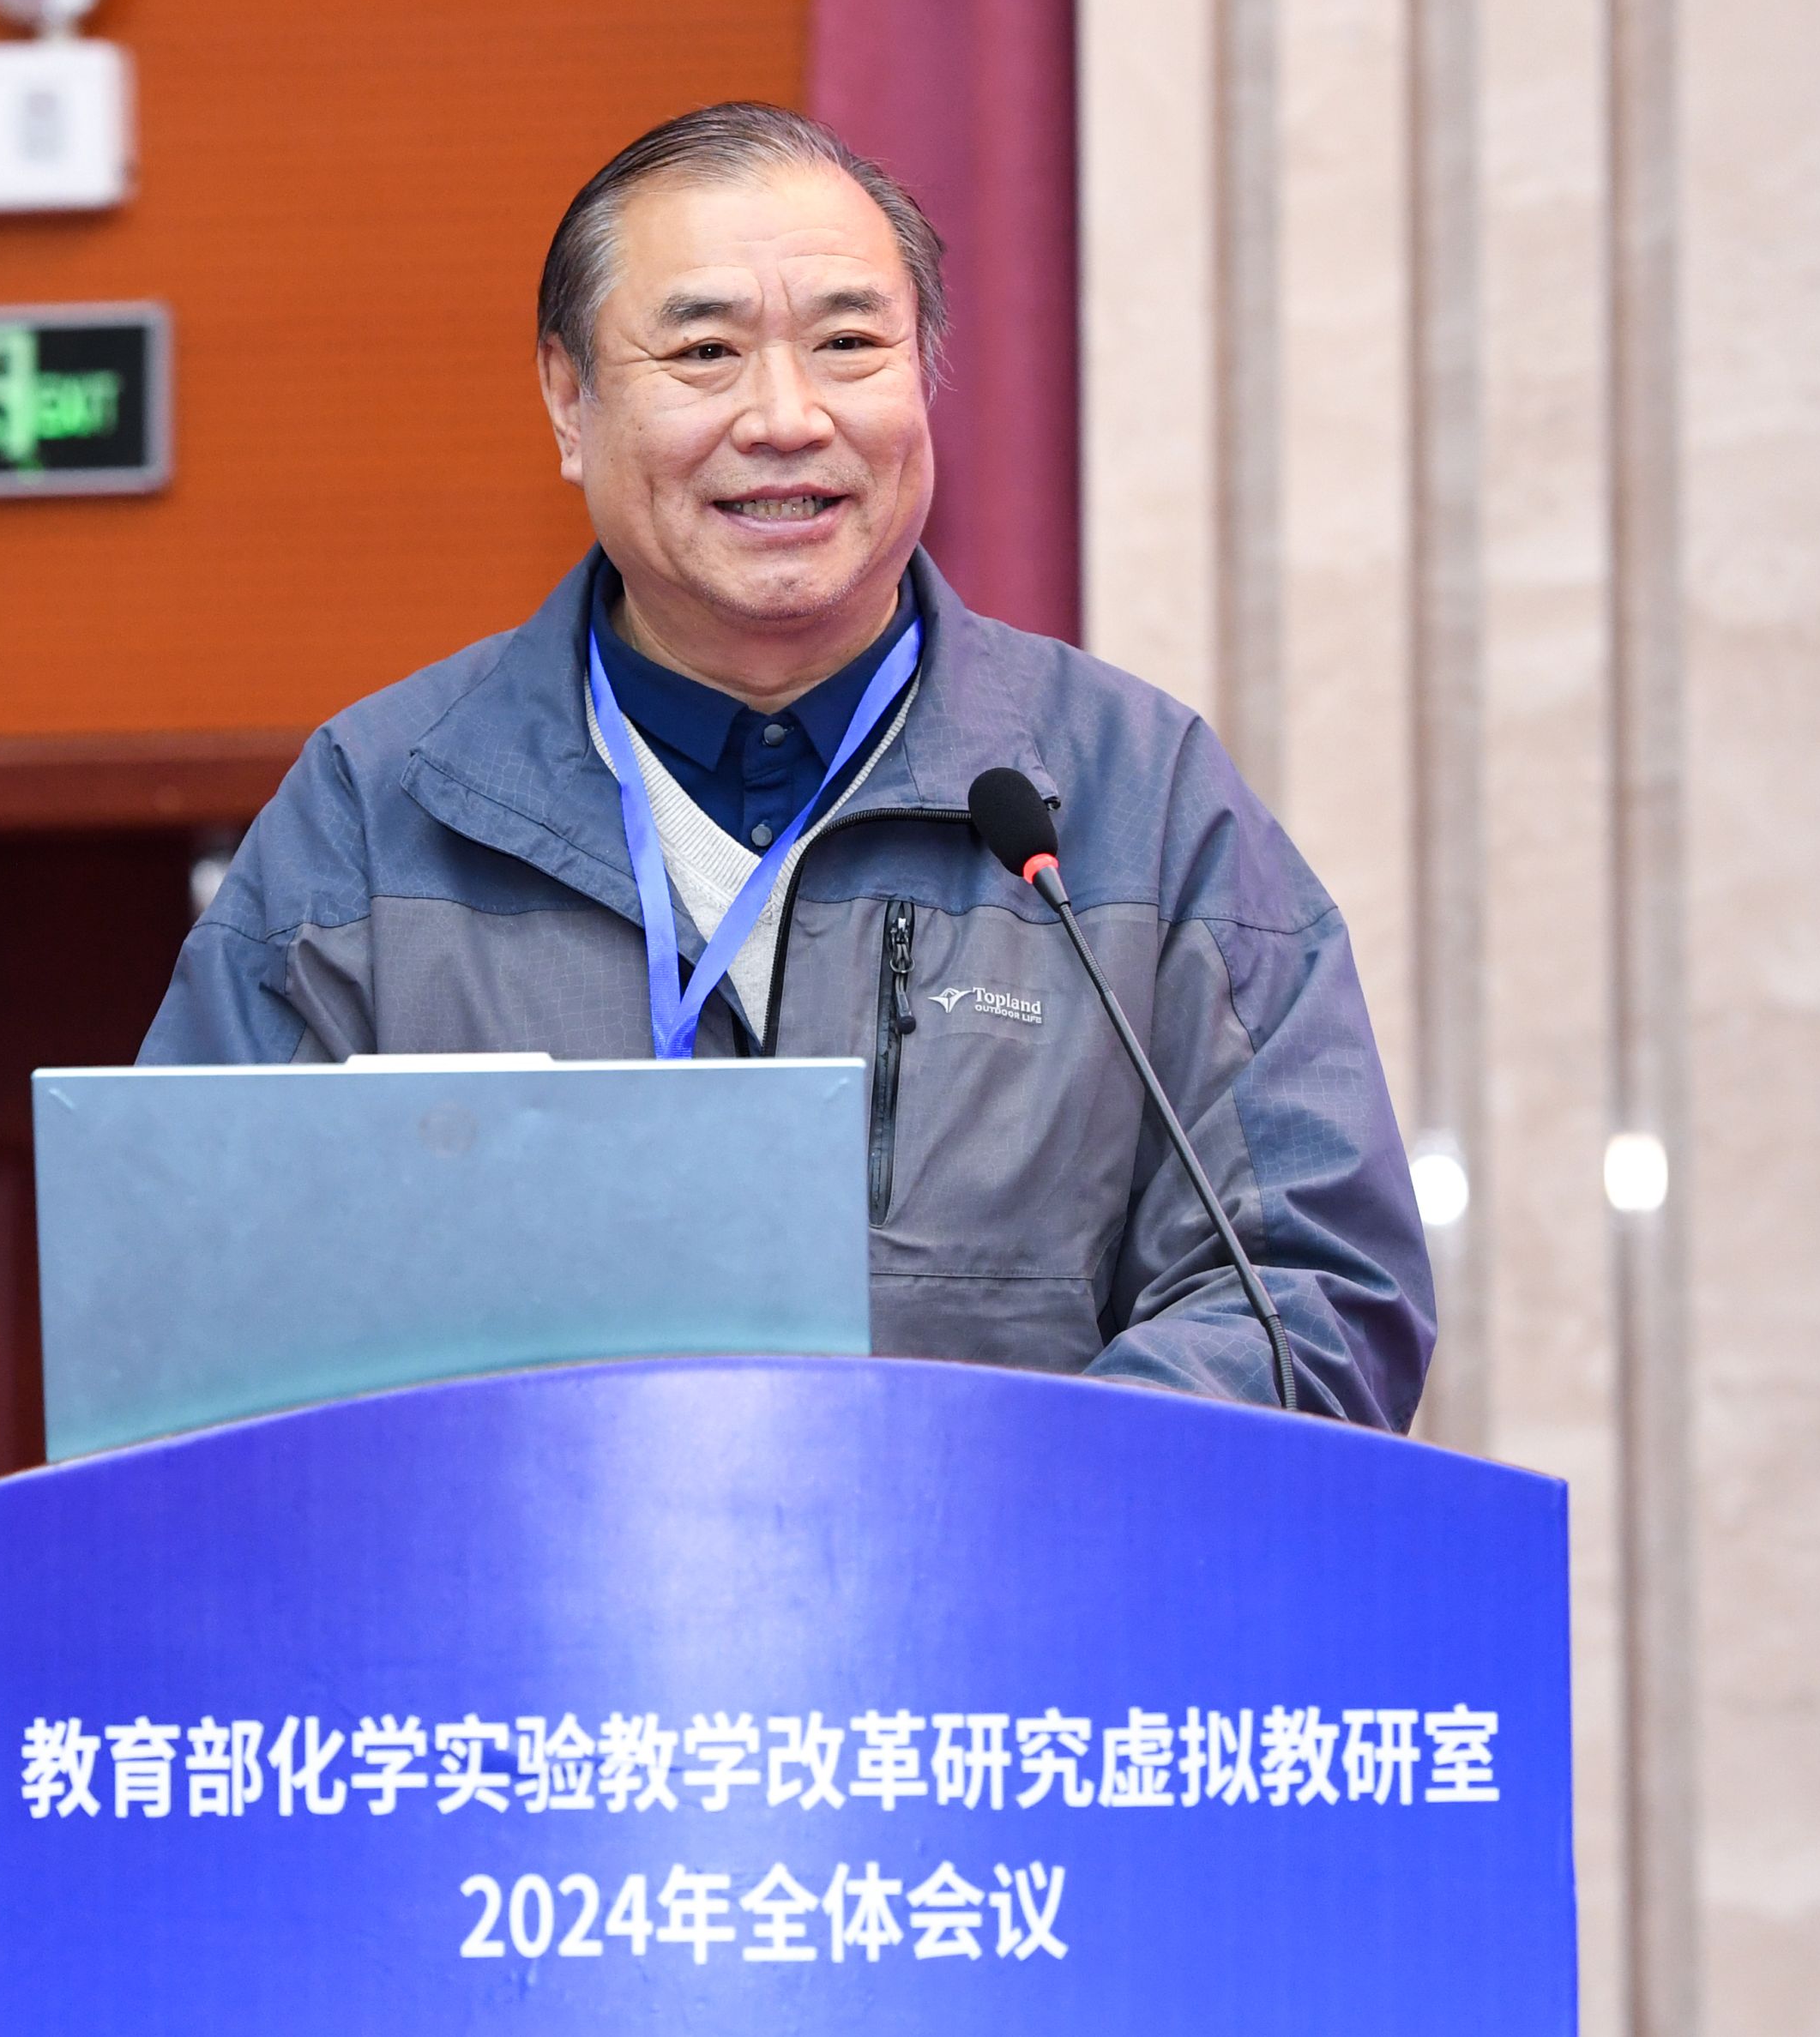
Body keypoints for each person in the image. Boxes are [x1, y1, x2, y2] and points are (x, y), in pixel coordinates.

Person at [141, 103, 1433, 1425]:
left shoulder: (1132, 797)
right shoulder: (377, 813)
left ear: (924, 382)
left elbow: (1312, 1291)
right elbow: (190, 1305)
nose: (786, 416)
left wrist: (1002, 1491)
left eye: (849, 345)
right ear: (570, 401)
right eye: (705, 350)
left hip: (1016, 1561)